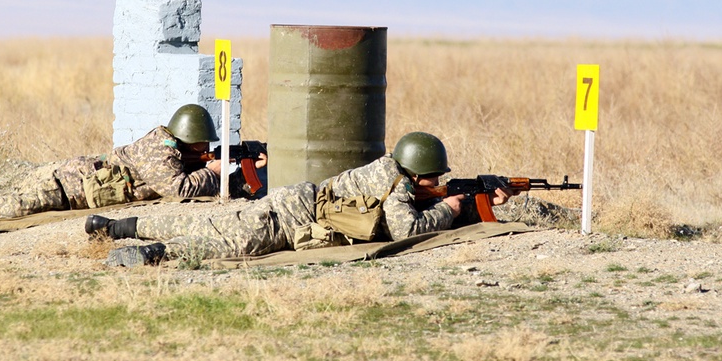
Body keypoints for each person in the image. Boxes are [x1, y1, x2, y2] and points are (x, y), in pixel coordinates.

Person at [90, 131, 530, 267]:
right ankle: (152, 254)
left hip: (294, 203)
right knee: (232, 244)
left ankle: (118, 228)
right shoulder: (397, 186)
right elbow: (406, 228)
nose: (438, 183)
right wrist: (451, 209)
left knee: (209, 225)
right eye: (433, 179)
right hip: (290, 219)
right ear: (416, 173)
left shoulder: (389, 170)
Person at [0, 104, 267, 230]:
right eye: (203, 146)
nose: (207, 151)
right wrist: (217, 172)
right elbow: (179, 189)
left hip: (77, 183)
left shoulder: (172, 147)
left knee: (11, 200)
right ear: (189, 139)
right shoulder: (158, 154)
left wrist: (244, 157)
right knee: (14, 206)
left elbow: (186, 172)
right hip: (68, 184)